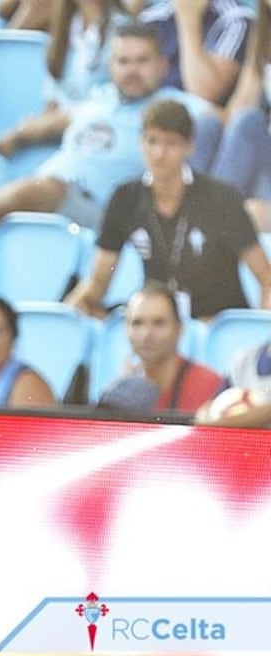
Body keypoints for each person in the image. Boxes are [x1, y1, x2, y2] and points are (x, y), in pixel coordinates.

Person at [0, 23, 218, 230]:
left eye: (142, 61)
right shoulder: (99, 99)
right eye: (123, 61)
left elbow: (225, 122)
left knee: (40, 190)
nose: (132, 71)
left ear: (162, 65)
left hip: (100, 211)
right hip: (47, 194)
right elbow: (47, 125)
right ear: (111, 66)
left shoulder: (176, 105)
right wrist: (11, 139)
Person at [65, 99, 271, 320]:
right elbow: (97, 284)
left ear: (189, 147)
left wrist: (259, 333)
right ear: (140, 142)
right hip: (158, 325)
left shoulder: (222, 198)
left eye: (171, 143)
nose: (159, 153)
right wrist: (69, 315)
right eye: (151, 141)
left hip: (217, 324)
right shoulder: (125, 198)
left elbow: (266, 280)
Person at [97, 281, 223, 414]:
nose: (146, 334)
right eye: (137, 323)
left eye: (158, 323)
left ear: (179, 329)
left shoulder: (208, 385)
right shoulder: (119, 392)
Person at [209, 0, 271, 231]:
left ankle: (205, 221)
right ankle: (187, 215)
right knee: (207, 125)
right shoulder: (264, 34)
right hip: (264, 151)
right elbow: (243, 103)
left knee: (249, 123)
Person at [137, 0, 253, 106]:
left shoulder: (236, 20)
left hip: (196, 117)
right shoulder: (150, 18)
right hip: (145, 112)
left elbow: (204, 95)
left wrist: (188, 18)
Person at [195, 336, 271, 428]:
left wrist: (221, 424)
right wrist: (205, 418)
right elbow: (206, 409)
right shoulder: (246, 359)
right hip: (228, 434)